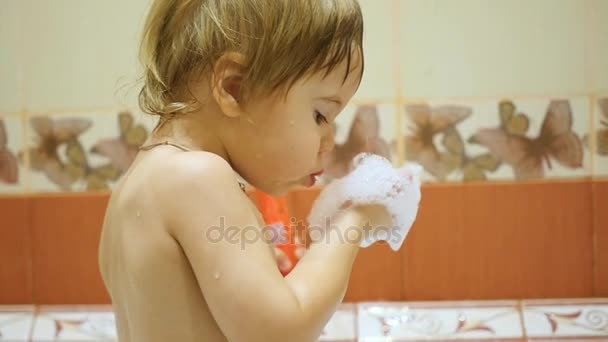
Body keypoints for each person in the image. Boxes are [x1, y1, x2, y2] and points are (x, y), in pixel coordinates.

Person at [98, 1, 400, 341]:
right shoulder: (197, 177)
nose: (329, 140)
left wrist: (265, 278)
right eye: (320, 115)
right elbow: (283, 331)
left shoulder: (138, 183)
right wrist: (355, 218)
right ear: (234, 88)